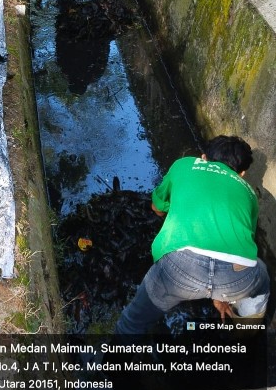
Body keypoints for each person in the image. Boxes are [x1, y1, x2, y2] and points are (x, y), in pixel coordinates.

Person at [114, 135, 270, 338]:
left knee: (130, 324)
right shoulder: (249, 193)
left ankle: (111, 367)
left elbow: (157, 208)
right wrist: (221, 292)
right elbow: (237, 243)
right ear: (242, 174)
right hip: (238, 276)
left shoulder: (185, 165)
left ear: (203, 157)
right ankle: (246, 335)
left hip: (179, 268)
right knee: (262, 275)